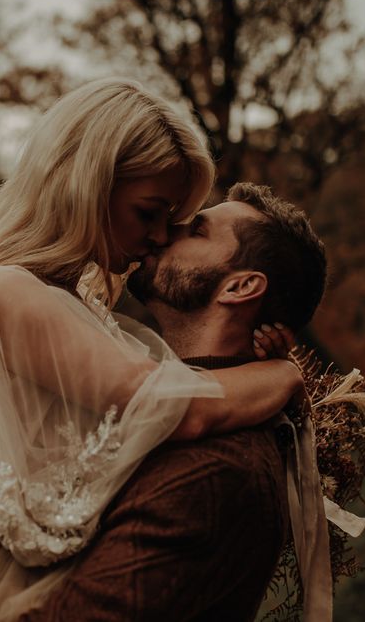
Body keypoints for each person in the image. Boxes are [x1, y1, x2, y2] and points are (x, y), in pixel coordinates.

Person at [0, 79, 302, 621]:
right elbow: (169, 408)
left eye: (170, 221)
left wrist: (244, 359)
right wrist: (282, 377)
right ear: (88, 183)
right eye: (149, 212)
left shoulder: (76, 296)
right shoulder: (7, 289)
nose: (158, 237)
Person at [21, 182, 328, 622]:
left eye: (196, 231)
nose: (164, 234)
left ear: (240, 286)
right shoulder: (137, 387)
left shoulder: (214, 470)